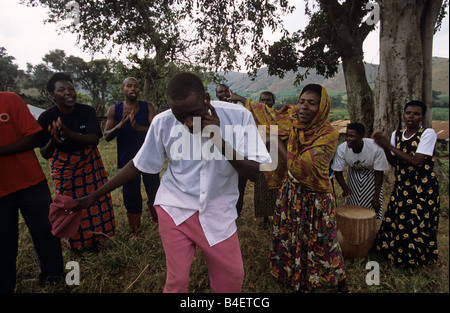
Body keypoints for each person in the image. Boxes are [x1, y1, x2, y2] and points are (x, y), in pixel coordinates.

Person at [74, 72, 271, 293]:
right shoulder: (163, 121)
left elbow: (255, 173)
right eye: (180, 116)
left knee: (232, 278)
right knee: (176, 283)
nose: (187, 123)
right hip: (175, 208)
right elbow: (139, 163)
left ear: (206, 99)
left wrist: (217, 137)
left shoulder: (238, 116)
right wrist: (95, 195)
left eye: (194, 114)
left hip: (218, 211)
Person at [229, 84, 348, 292]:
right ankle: (297, 278)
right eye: (302, 101)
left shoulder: (328, 135)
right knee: (293, 236)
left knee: (323, 241)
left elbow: (299, 167)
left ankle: (339, 283)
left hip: (316, 199)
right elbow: (269, 113)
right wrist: (241, 99)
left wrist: (276, 140)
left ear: (322, 107)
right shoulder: (292, 119)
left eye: (312, 103)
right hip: (292, 193)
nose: (304, 107)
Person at [38, 73, 115, 257]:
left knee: (94, 201)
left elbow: (94, 139)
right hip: (62, 164)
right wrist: (55, 140)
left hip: (88, 161)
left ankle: (95, 240)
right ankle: (74, 244)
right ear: (52, 95)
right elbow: (44, 153)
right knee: (67, 204)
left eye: (71, 89)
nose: (68, 93)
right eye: (62, 90)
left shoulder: (86, 111)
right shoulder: (46, 117)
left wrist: (68, 132)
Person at [0, 92, 64, 293]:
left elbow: (35, 137)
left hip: (30, 182)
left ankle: (54, 278)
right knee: (3, 242)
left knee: (46, 232)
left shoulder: (9, 100)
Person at [372, 100, 440, 266]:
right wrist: (385, 148)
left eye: (416, 114)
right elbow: (395, 163)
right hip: (403, 186)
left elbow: (417, 161)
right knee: (398, 219)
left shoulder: (427, 134)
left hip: (423, 187)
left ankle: (417, 258)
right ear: (404, 114)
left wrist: (389, 145)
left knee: (418, 221)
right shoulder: (397, 134)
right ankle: (394, 253)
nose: (411, 116)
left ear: (422, 117)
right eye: (408, 113)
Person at [103, 77, 160, 239]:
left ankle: (157, 221)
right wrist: (120, 125)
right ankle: (135, 231)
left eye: (136, 86)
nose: (133, 88)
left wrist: (137, 127)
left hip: (148, 157)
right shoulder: (114, 109)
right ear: (123, 89)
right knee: (131, 195)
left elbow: (155, 130)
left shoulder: (147, 107)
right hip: (127, 159)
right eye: (129, 86)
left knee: (154, 190)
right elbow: (106, 136)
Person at [332, 122, 388, 219]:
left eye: (352, 136)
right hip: (353, 174)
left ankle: (368, 231)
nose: (347, 139)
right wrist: (345, 188)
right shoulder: (342, 148)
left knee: (371, 207)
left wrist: (376, 196)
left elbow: (379, 172)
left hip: (372, 175)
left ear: (361, 136)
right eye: (347, 135)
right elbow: (338, 172)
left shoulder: (375, 148)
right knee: (353, 207)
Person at [215, 83, 247, 216]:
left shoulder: (240, 110)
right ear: (216, 95)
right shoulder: (212, 110)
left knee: (239, 185)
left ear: (231, 92)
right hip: (219, 155)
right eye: (220, 92)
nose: (223, 94)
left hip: (239, 153)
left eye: (226, 92)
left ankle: (236, 212)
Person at [253, 91, 279, 228]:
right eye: (262, 100)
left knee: (276, 188)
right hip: (261, 157)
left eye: (268, 100)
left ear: (273, 102)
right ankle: (263, 218)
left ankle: (277, 217)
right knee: (261, 188)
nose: (265, 103)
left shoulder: (278, 118)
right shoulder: (255, 119)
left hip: (277, 157)